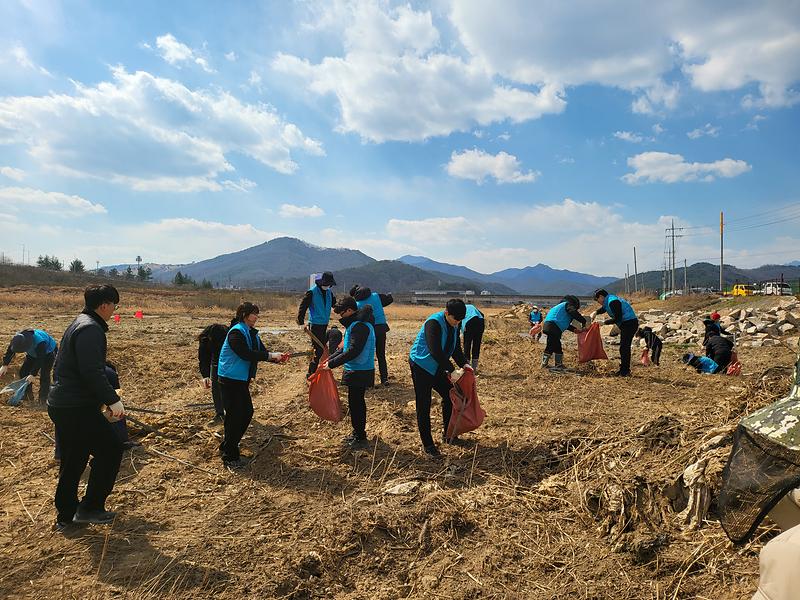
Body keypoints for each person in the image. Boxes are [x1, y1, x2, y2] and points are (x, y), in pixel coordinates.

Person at [47, 284, 125, 530]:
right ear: (104, 305)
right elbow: (92, 372)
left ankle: (66, 513)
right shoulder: (91, 329)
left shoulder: (79, 323)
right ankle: (90, 508)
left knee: (74, 457)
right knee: (111, 449)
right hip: (76, 406)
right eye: (114, 305)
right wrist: (113, 399)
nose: (114, 310)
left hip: (64, 403)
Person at [218, 302, 288, 468]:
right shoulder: (236, 332)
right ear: (244, 314)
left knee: (243, 413)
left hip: (240, 380)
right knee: (237, 416)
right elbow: (245, 354)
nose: (256, 317)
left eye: (257, 314)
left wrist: (276, 358)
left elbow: (260, 352)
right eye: (254, 314)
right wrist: (270, 355)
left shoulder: (251, 333)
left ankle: (227, 445)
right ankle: (230, 456)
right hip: (229, 379)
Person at [409, 299, 470, 456]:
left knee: (450, 395)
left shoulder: (455, 325)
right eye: (455, 319)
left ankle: (449, 434)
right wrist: (451, 370)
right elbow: (435, 350)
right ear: (446, 313)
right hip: (421, 365)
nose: (457, 323)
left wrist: (464, 364)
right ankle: (428, 445)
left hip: (437, 365)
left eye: (460, 320)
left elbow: (455, 348)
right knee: (424, 403)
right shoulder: (433, 323)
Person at [323, 297, 376, 450]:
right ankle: (357, 433)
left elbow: (353, 351)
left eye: (342, 313)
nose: (341, 317)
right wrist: (328, 361)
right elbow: (343, 348)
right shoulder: (356, 324)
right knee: (355, 403)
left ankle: (360, 436)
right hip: (357, 369)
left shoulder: (360, 326)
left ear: (350, 310)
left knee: (357, 404)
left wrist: (332, 364)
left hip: (359, 370)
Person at [349, 285, 393, 386]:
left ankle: (368, 381)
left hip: (369, 330)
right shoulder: (376, 296)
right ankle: (384, 378)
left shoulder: (357, 304)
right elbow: (389, 299)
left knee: (367, 355)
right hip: (381, 328)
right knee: (381, 354)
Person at [1, 328, 58, 403]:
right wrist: (5, 365)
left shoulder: (40, 342)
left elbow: (40, 359)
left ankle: (43, 399)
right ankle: (28, 396)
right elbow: (10, 350)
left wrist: (33, 374)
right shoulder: (18, 339)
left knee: (44, 375)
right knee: (23, 372)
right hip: (32, 354)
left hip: (48, 353)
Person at [592, 289, 639, 377]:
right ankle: (624, 369)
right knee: (623, 347)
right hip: (626, 323)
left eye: (596, 299)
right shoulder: (608, 301)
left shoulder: (613, 302)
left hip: (629, 323)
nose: (597, 301)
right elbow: (604, 308)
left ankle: (625, 371)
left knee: (624, 347)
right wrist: (596, 312)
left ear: (601, 297)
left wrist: (604, 322)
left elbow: (618, 318)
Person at [297, 272, 336, 376]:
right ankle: (310, 373)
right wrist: (301, 322)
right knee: (317, 350)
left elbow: (334, 304)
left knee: (322, 346)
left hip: (324, 324)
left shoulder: (329, 292)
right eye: (326, 283)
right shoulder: (312, 292)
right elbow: (303, 307)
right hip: (315, 325)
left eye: (329, 284)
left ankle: (319, 369)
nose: (328, 286)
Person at [541, 295, 586, 370]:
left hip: (550, 326)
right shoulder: (567, 305)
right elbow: (573, 312)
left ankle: (558, 365)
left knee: (557, 346)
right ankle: (544, 364)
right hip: (553, 326)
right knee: (551, 346)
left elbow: (564, 323)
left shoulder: (560, 308)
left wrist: (574, 329)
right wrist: (583, 321)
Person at [197, 323, 229, 421]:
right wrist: (206, 376)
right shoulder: (205, 340)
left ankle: (232, 412)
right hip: (215, 364)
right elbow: (203, 358)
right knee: (216, 387)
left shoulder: (228, 336)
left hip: (229, 363)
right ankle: (219, 413)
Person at [461, 303, 485, 373]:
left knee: (467, 344)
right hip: (481, 322)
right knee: (476, 345)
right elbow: (482, 315)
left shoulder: (462, 309)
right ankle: (474, 368)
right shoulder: (473, 308)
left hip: (470, 322)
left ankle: (467, 368)